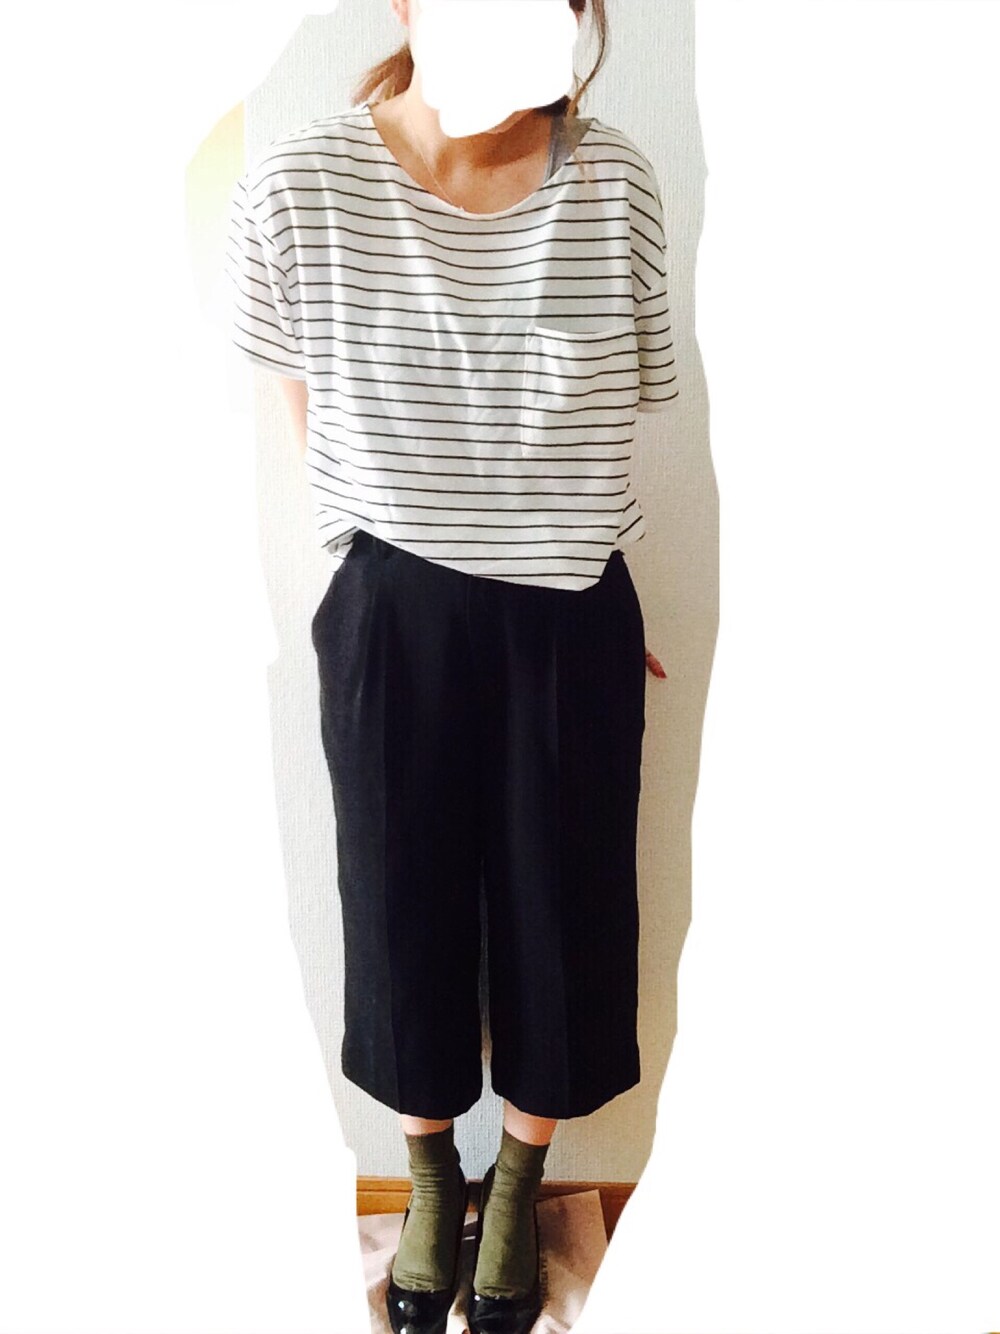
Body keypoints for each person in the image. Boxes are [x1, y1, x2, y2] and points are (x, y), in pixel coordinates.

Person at [224, 1, 678, 1329]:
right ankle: (431, 1177)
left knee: (566, 908)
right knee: (397, 899)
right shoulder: (301, 182)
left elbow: (619, 406)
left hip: (569, 614)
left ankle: (519, 1181)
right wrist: (368, 571)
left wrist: (576, 578)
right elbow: (301, 401)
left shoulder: (616, 182)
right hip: (392, 606)